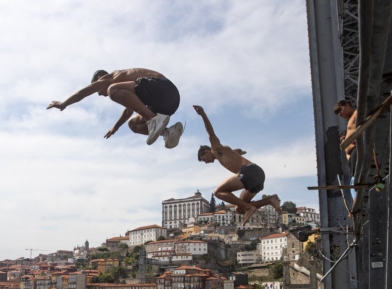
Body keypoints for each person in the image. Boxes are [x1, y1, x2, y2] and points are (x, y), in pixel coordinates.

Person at [47, 68, 184, 148]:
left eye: (98, 90)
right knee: (133, 124)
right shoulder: (130, 88)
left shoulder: (110, 78)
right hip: (169, 103)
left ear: (99, 79)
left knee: (112, 90)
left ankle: (153, 119)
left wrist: (64, 104)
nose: (100, 94)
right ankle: (167, 132)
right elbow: (128, 110)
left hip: (164, 89)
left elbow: (82, 93)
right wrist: (116, 127)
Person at [193, 105, 281, 226]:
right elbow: (236, 151)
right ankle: (270, 199)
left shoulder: (216, 149)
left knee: (218, 192)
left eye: (204, 159)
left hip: (250, 171)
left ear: (207, 151)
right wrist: (240, 151)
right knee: (239, 209)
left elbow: (210, 132)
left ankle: (250, 208)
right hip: (257, 176)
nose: (206, 162)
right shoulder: (223, 153)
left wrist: (203, 114)